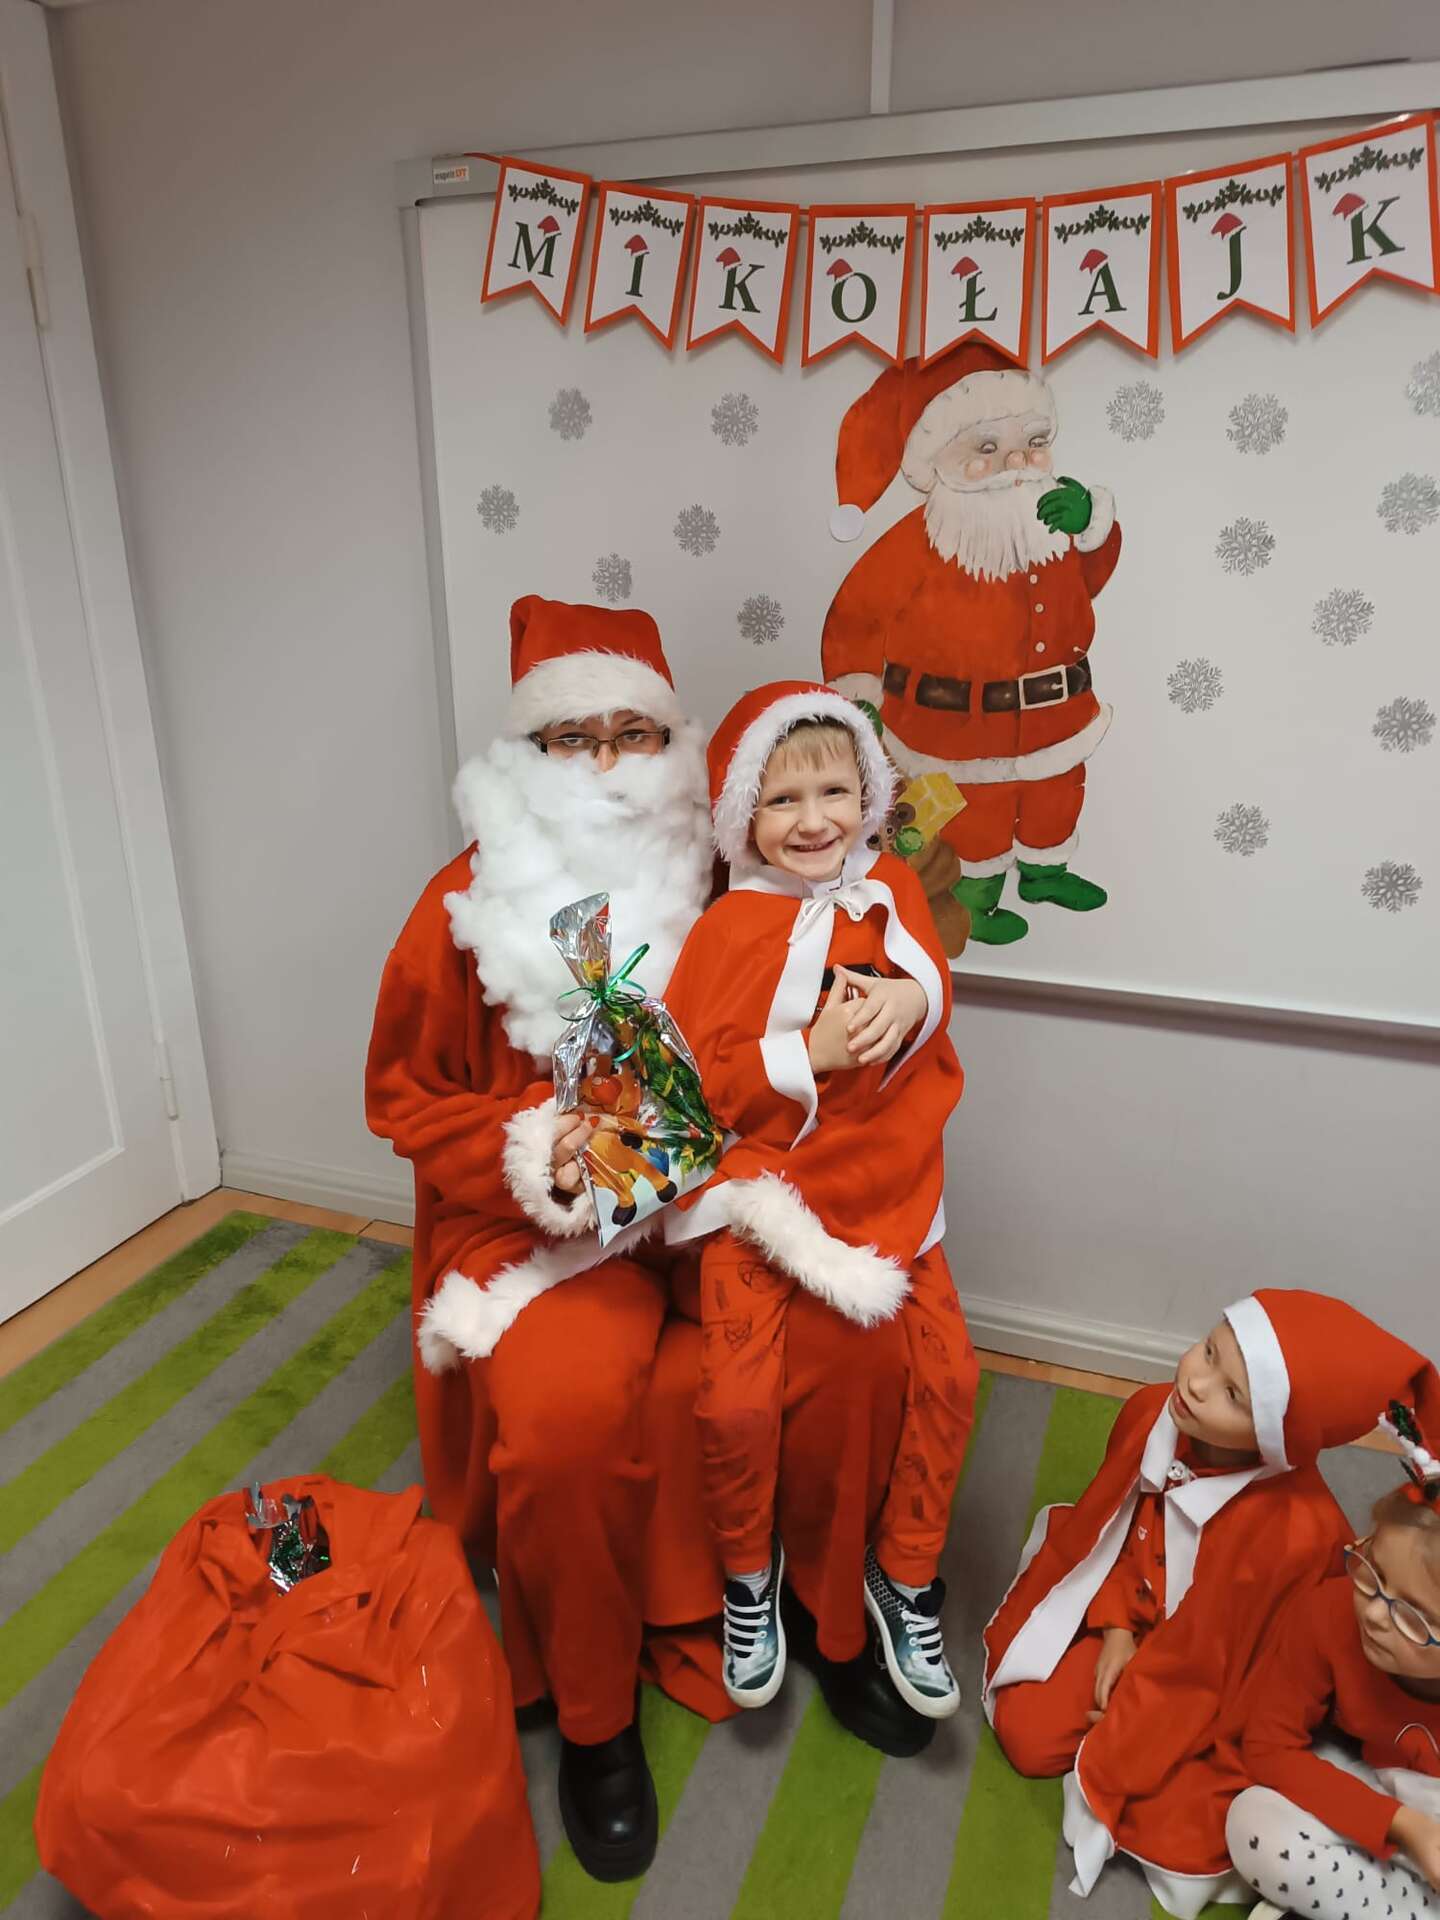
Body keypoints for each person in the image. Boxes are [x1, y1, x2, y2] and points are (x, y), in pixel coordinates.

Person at [366, 600, 926, 1880]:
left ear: (676, 745)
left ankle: (829, 1622)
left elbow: (874, 924)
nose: (610, 762)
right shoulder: (463, 905)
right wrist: (536, 1151)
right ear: (526, 754)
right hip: (558, 1235)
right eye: (575, 737)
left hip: (730, 1194)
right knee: (563, 1414)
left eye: (635, 732)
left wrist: (903, 990)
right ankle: (594, 1717)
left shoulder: (740, 868)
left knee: (857, 1352)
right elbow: (403, 1095)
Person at [660, 681, 979, 1724]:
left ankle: (905, 1571)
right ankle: (749, 1578)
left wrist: (913, 995)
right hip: (763, 1196)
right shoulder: (727, 928)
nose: (813, 821)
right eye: (783, 800)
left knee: (951, 1376)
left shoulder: (894, 887)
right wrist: (809, 1053)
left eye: (835, 792)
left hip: (890, 1186)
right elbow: (697, 1085)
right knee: (737, 1402)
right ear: (743, 816)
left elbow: (932, 987)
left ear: (869, 793)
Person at [985, 1290, 1437, 1917]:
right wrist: (1117, 1626)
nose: (1196, 1384)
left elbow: (1213, 1663)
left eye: (1233, 1395)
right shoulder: (1151, 1415)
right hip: (1146, 1624)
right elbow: (1118, 1533)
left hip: (1208, 1677)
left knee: (1177, 1820)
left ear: (1277, 1434)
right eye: (1207, 1351)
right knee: (1029, 1731)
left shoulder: (1288, 1530)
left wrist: (1134, 1721)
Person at [821, 344, 1121, 945]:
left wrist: (1092, 527)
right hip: (953, 726)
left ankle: (1045, 871)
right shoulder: (918, 541)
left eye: (1034, 441)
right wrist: (859, 694)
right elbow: (857, 615)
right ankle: (973, 902)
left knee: (1055, 794)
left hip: (1056, 715)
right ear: (939, 461)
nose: (1017, 461)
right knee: (975, 816)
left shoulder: (1050, 524)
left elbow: (1087, 585)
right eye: (987, 447)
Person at [1227, 1388, 1440, 1920]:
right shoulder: (1329, 1612)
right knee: (1253, 1823)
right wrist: (1407, 1828)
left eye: (1415, 1617)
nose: (1375, 1613)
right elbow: (1269, 1745)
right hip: (1383, 1796)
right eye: (1373, 1570)